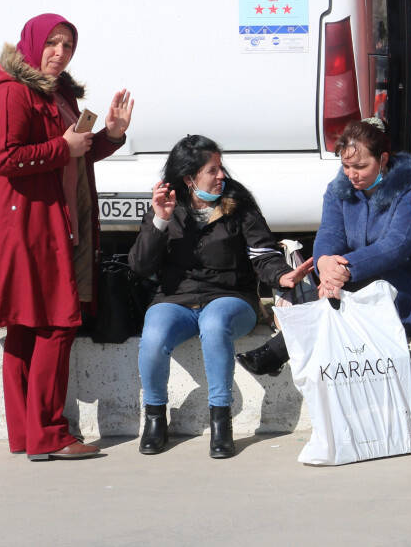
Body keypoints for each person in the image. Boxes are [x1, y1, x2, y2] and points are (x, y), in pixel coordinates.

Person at [0, 13, 133, 461]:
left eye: (68, 46)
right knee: (57, 322)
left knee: (27, 326)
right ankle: (49, 433)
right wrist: (62, 147)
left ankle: (27, 435)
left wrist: (109, 135)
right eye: (53, 43)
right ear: (33, 44)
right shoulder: (12, 92)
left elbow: (77, 154)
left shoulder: (58, 94)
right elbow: (3, 158)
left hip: (50, 219)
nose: (59, 52)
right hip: (25, 224)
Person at [129, 135, 309, 459]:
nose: (221, 175)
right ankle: (155, 417)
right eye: (212, 170)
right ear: (189, 177)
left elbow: (262, 252)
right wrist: (159, 220)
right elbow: (140, 265)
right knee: (154, 334)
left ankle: (220, 421)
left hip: (230, 296)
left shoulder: (238, 203)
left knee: (214, 324)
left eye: (220, 168)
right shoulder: (168, 205)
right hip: (176, 299)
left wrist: (281, 274)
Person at [235, 118, 411, 376]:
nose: (352, 174)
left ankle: (278, 351)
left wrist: (345, 269)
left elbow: (396, 246)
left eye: (361, 166)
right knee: (334, 292)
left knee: (338, 295)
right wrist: (325, 263)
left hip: (398, 283)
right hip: (346, 279)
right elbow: (329, 232)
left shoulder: (409, 192)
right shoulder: (339, 189)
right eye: (346, 166)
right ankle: (277, 352)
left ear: (383, 159)